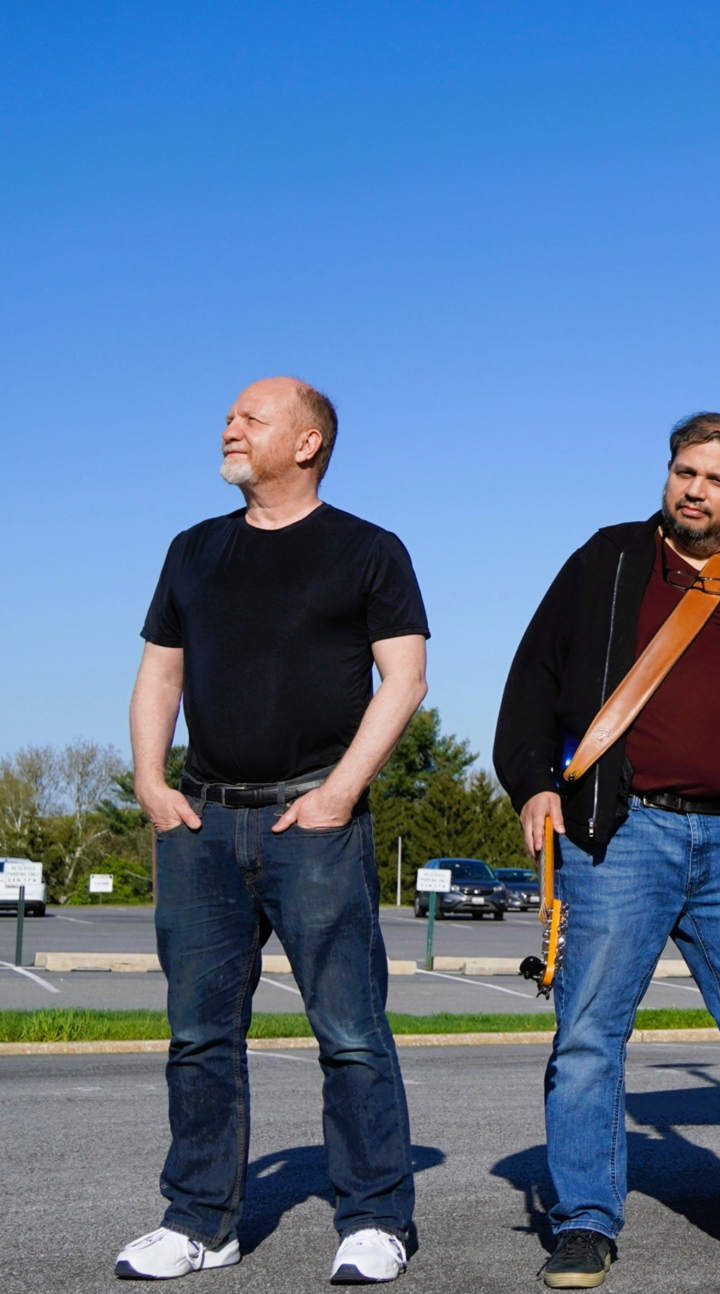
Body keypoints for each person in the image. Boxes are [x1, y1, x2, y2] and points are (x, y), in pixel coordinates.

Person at [494, 413, 720, 1289]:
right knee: (588, 1032)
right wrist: (535, 781)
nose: (695, 490)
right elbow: (535, 672)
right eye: (684, 472)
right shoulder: (607, 559)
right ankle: (584, 1222)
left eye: (716, 479)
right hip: (624, 831)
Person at [122, 377, 429, 1283]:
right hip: (201, 821)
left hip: (313, 824)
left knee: (351, 1031)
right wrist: (149, 781)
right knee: (200, 1037)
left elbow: (403, 681)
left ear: (306, 443)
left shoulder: (369, 551)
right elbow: (159, 676)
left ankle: (375, 1219)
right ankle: (200, 1222)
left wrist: (338, 794)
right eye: (227, 416)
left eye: (249, 419)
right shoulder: (192, 551)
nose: (228, 429)